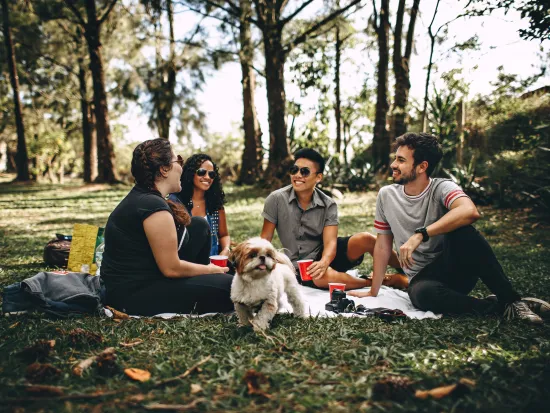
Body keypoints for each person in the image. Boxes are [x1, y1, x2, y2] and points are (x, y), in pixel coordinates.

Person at [348, 132, 549, 324]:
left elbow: (470, 212)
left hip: (456, 268)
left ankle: (511, 299)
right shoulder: (386, 195)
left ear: (421, 166)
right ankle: (500, 306)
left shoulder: (442, 187)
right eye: (395, 159)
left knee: (464, 231)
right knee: (421, 295)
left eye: (401, 160)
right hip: (423, 280)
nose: (393, 164)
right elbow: (382, 246)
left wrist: (421, 234)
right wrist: (373, 292)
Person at [101, 139, 233, 316]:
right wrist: (210, 270)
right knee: (233, 288)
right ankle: (209, 280)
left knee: (198, 225)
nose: (181, 166)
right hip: (134, 294)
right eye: (177, 160)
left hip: (150, 275)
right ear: (164, 169)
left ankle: (206, 280)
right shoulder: (151, 206)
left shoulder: (147, 197)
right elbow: (171, 268)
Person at [260, 148, 408, 290]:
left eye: (304, 171)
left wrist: (324, 262)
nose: (297, 175)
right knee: (321, 277)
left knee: (366, 239)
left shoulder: (328, 204)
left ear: (318, 177)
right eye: (294, 170)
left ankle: (409, 271)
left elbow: (330, 242)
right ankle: (380, 281)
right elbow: (265, 239)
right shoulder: (276, 199)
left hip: (327, 254)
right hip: (300, 266)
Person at [170, 154, 230, 258]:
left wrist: (226, 250)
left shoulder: (215, 204)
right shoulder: (175, 202)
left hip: (212, 263)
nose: (207, 177)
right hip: (185, 263)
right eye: (202, 172)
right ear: (191, 173)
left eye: (211, 174)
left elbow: (224, 235)